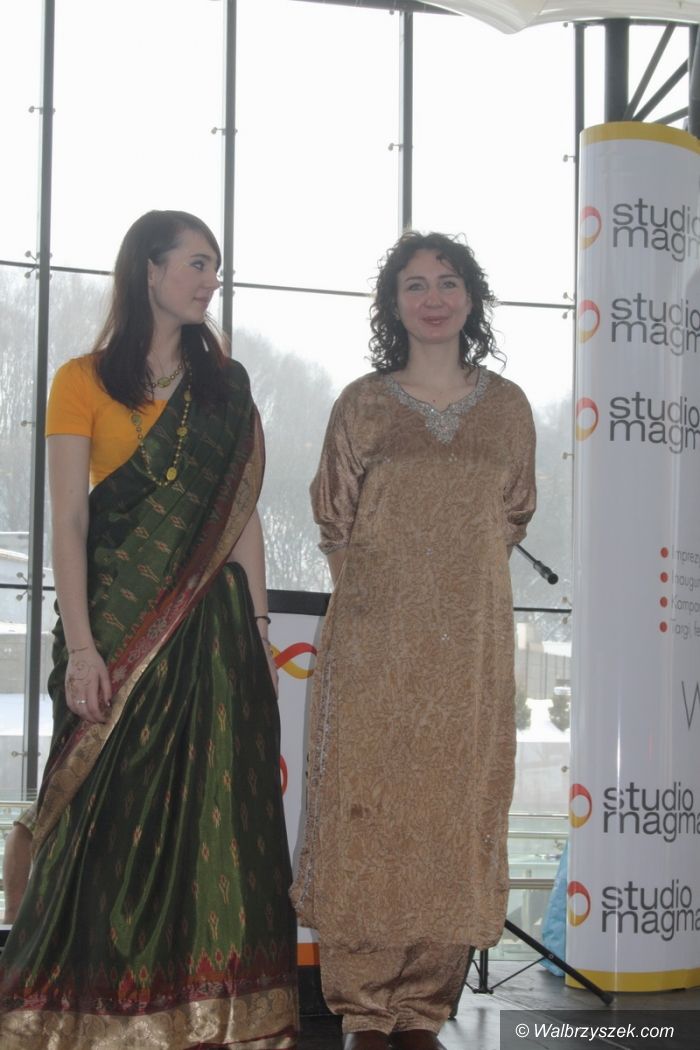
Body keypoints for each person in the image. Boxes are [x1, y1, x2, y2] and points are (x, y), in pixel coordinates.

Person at [0, 210, 298, 1049]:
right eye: (197, 263)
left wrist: (260, 628)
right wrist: (82, 647)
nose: (211, 280)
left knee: (216, 825)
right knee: (104, 824)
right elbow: (69, 522)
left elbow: (240, 516)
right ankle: (84, 1015)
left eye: (215, 266)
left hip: (213, 640)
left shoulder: (226, 387)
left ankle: (219, 1015)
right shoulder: (80, 381)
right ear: (150, 271)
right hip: (117, 633)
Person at [291, 231, 537, 1050]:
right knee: (367, 812)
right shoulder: (362, 404)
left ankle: (425, 1008)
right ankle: (366, 1010)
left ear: (472, 298)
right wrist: (385, 602)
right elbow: (335, 519)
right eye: (415, 285)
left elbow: (512, 515)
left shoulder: (508, 409)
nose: (434, 298)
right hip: (374, 644)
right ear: (393, 306)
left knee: (454, 809)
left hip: (469, 649)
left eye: (448, 282)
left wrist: (451, 595)